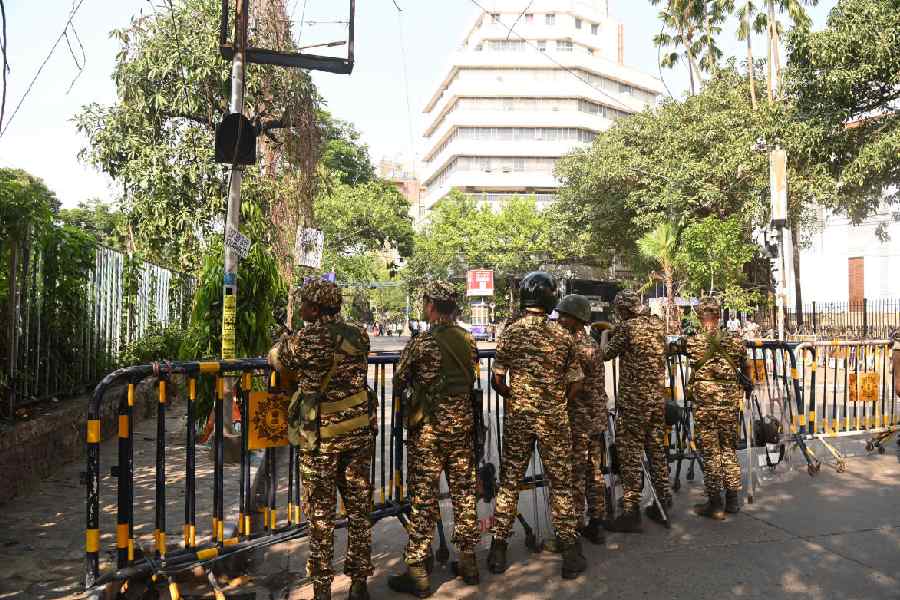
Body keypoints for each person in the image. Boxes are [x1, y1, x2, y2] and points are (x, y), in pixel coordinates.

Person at [268, 279, 374, 600]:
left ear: (314, 308)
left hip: (321, 442)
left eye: (304, 304)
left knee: (320, 516)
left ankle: (323, 589)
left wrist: (284, 342)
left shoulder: (307, 338)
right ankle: (358, 583)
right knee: (358, 510)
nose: (300, 309)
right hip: (357, 434)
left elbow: (276, 358)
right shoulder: (359, 334)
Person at [486, 272, 587, 580]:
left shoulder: (510, 333)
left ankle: (498, 549)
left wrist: (514, 397)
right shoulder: (562, 336)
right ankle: (570, 552)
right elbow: (576, 383)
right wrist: (558, 402)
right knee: (561, 483)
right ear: (550, 300)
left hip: (519, 418)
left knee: (510, 481)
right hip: (553, 419)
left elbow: (497, 379)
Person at [388, 281, 481, 597]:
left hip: (428, 433)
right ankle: (468, 562)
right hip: (462, 431)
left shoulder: (422, 343)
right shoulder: (469, 341)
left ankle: (417, 570)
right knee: (464, 494)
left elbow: (399, 380)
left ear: (431, 306)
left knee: (424, 499)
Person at [602, 290, 672, 532]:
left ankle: (631, 510)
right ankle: (663, 497)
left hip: (634, 401)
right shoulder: (657, 325)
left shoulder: (627, 328)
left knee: (630, 453)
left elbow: (605, 353)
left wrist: (604, 336)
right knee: (655, 449)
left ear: (623, 310)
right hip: (655, 398)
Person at [685, 297, 747, 519]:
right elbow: (744, 365)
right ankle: (732, 500)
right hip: (729, 403)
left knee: (711, 452)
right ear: (719, 316)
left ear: (701, 317)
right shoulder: (736, 341)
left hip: (706, 405)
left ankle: (715, 503)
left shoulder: (693, 342)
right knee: (728, 449)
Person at [555, 294, 609, 546]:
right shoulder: (592, 344)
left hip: (579, 418)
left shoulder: (575, 347)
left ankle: (574, 527)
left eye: (563, 316)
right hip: (596, 417)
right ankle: (597, 522)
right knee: (594, 472)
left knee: (576, 473)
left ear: (575, 319)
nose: (558, 320)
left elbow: (570, 383)